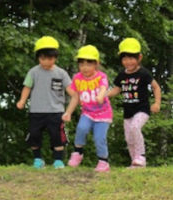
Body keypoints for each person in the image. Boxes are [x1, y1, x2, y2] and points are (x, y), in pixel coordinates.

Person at [17, 36, 76, 169]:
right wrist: (22, 100)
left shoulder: (61, 73)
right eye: (42, 58)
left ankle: (58, 160)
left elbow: (71, 90)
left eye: (49, 58)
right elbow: (27, 87)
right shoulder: (33, 72)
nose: (45, 61)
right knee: (34, 135)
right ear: (38, 58)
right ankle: (38, 159)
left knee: (57, 136)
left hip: (56, 111)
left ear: (55, 57)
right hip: (36, 111)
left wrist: (76, 98)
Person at [106, 37, 162, 168]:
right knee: (128, 138)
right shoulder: (122, 75)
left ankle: (141, 157)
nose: (128, 62)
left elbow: (156, 87)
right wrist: (103, 96)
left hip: (142, 109)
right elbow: (115, 90)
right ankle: (135, 163)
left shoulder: (143, 73)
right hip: (128, 112)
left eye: (131, 58)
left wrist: (157, 103)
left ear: (139, 58)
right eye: (125, 58)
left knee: (135, 128)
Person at [63, 45, 113, 172]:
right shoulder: (77, 78)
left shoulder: (101, 76)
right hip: (87, 113)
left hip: (103, 114)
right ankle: (78, 153)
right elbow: (75, 97)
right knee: (81, 128)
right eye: (81, 64)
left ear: (96, 64)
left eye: (89, 64)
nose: (85, 68)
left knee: (99, 137)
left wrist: (101, 95)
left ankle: (103, 161)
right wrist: (68, 112)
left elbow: (104, 87)